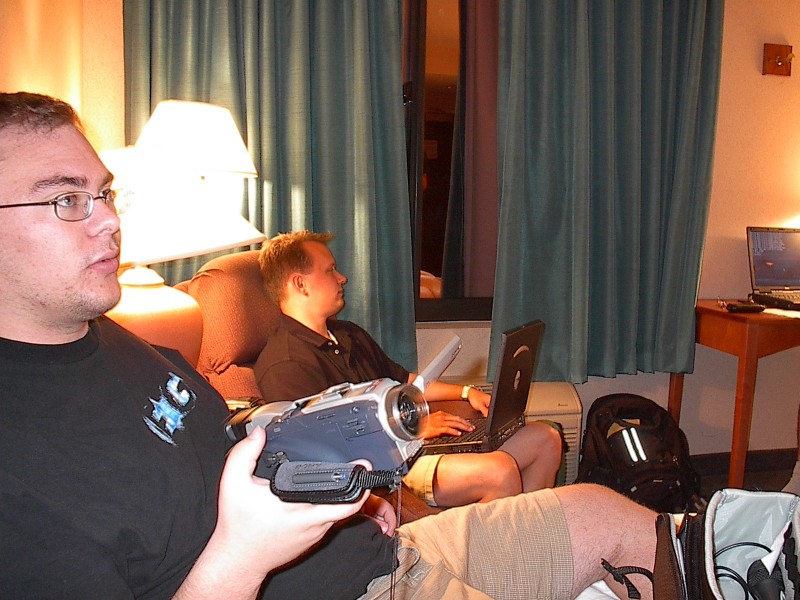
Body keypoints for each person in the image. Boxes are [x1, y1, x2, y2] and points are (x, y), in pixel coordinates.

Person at [0, 91, 661, 600]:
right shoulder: (19, 471)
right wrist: (244, 553)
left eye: (103, 193)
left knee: (612, 518)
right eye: (65, 199)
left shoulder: (118, 342)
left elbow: (233, 438)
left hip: (382, 552)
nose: (110, 220)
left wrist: (347, 489)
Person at [253, 231, 564, 508]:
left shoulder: (349, 334)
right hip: (390, 468)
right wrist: (415, 429)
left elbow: (407, 382)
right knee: (500, 471)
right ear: (300, 284)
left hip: (416, 447)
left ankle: (528, 540)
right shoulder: (287, 364)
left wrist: (467, 393)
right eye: (330, 270)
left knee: (546, 439)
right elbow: (323, 455)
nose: (342, 278)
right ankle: (501, 551)